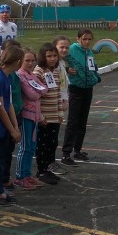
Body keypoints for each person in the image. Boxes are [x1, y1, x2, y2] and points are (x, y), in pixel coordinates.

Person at [0, 44, 23, 202]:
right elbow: (0, 108)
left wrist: (15, 127)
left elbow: (9, 104)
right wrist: (12, 129)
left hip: (4, 127)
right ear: (18, 61)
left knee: (1, 159)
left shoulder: (7, 77)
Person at [60, 29, 100, 166]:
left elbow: (92, 67)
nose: (87, 42)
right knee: (73, 122)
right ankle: (66, 153)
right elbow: (58, 59)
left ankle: (78, 150)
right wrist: (67, 70)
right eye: (84, 39)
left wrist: (96, 76)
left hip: (88, 88)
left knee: (83, 121)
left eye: (89, 39)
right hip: (76, 88)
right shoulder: (72, 49)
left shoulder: (89, 52)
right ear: (78, 39)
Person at [15, 48, 48, 189]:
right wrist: (38, 92)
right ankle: (20, 176)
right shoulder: (20, 76)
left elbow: (45, 88)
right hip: (26, 116)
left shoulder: (32, 75)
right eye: (27, 60)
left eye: (32, 60)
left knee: (31, 147)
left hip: (35, 116)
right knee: (25, 147)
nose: (30, 63)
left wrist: (38, 92)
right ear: (20, 61)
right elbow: (32, 95)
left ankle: (27, 174)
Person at [34, 42, 65, 184]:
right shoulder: (39, 72)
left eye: (54, 56)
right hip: (44, 116)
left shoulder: (55, 72)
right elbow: (36, 96)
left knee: (52, 143)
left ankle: (47, 169)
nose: (52, 59)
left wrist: (60, 113)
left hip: (54, 115)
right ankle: (41, 171)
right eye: (49, 56)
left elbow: (58, 94)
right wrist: (40, 116)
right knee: (43, 144)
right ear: (43, 57)